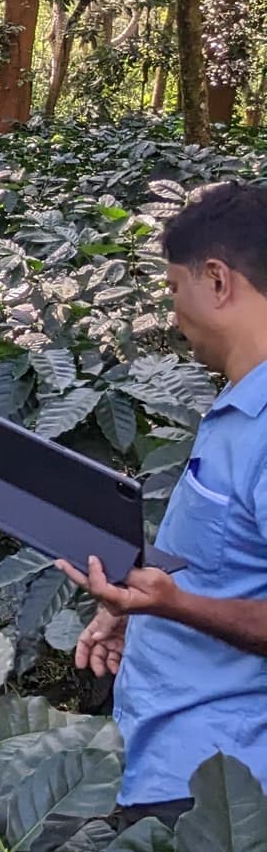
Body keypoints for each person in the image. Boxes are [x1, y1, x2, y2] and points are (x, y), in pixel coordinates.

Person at [60, 181, 267, 819]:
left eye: (175, 288)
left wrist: (174, 604)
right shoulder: (238, 407)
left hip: (220, 791)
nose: (173, 311)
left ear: (217, 281)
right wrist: (147, 610)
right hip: (169, 759)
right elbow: (230, 570)